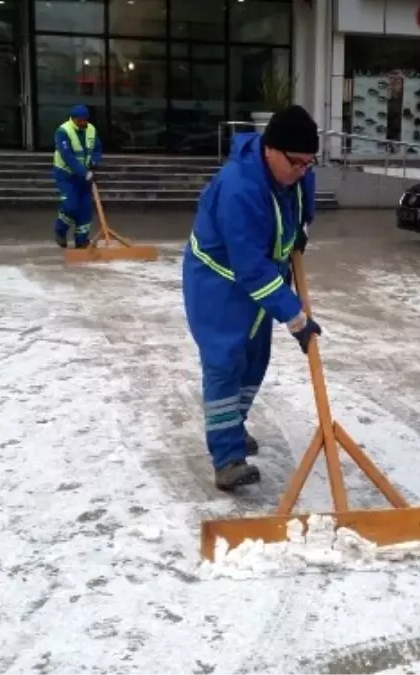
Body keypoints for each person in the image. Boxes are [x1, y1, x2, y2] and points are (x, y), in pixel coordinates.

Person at [182, 105, 322, 490]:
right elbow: (249, 268)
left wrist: (302, 229)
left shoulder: (297, 169)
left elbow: (302, 206)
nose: (303, 171)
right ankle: (227, 458)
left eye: (310, 164)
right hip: (219, 282)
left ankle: (232, 425)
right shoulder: (240, 187)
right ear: (270, 150)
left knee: (255, 359)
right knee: (225, 362)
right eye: (297, 163)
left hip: (264, 275)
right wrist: (295, 318)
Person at [52, 104, 103, 249]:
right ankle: (60, 230)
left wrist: (94, 161)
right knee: (71, 205)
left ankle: (81, 240)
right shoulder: (63, 131)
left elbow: (97, 148)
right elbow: (67, 157)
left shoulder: (91, 129)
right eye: (80, 120)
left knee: (85, 208)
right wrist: (85, 172)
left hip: (84, 175)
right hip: (66, 174)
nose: (83, 123)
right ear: (73, 119)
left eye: (85, 120)